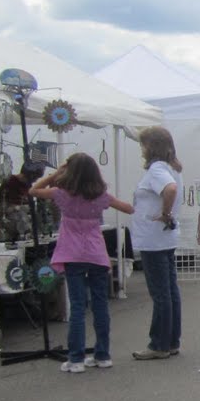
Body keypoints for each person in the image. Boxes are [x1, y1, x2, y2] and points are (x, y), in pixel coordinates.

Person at [31, 152, 133, 373]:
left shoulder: (61, 195)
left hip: (72, 254)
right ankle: (102, 355)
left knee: (77, 306)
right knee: (100, 305)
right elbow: (128, 208)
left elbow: (34, 190)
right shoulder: (101, 197)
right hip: (96, 254)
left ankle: (75, 358)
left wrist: (55, 173)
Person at [130, 126, 182, 361]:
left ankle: (159, 343)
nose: (141, 150)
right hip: (163, 237)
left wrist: (165, 212)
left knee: (161, 293)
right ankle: (170, 341)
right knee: (170, 291)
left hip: (154, 239)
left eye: (143, 145)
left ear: (151, 147)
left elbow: (169, 189)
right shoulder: (171, 168)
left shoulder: (157, 170)